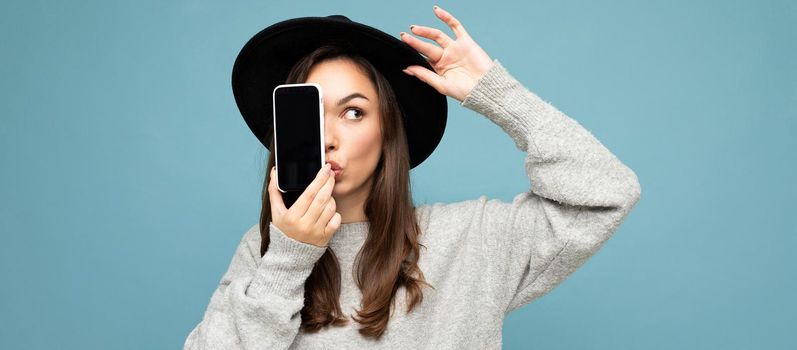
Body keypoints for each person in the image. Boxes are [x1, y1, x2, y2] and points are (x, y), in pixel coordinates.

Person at [185, 6, 641, 349]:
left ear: (387, 133)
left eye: (353, 112)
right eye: (310, 115)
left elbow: (606, 194)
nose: (327, 138)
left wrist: (498, 96)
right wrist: (288, 258)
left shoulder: (471, 240)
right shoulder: (263, 253)